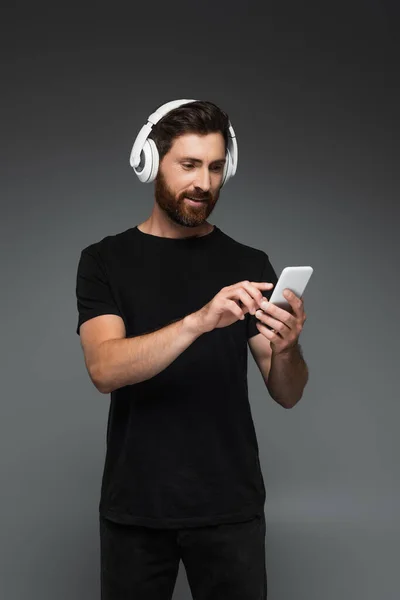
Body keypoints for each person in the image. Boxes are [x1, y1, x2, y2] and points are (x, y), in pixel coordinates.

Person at [75, 99, 309, 599]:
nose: (204, 181)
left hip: (231, 508)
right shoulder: (104, 261)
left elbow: (287, 393)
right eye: (188, 165)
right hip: (135, 509)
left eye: (215, 167)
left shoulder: (248, 261)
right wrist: (198, 323)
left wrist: (288, 350)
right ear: (149, 162)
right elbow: (104, 368)